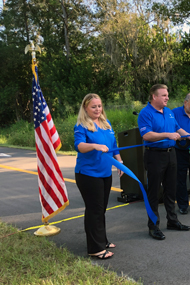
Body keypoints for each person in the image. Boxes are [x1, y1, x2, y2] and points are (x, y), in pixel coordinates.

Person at [138, 84, 190, 240]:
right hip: (154, 156)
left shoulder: (169, 112)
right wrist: (167, 135)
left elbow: (178, 129)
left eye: (167, 95)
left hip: (171, 155)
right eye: (164, 95)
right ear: (154, 97)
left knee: (171, 190)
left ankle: (172, 220)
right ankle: (153, 226)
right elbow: (146, 136)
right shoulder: (145, 113)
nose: (167, 98)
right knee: (153, 192)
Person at [74, 93, 123, 259]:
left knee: (101, 209)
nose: (97, 109)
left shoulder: (105, 123)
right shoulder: (81, 125)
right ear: (86, 108)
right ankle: (95, 248)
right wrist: (94, 145)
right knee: (94, 210)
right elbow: (79, 146)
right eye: (93, 106)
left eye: (99, 106)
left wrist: (119, 162)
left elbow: (113, 145)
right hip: (88, 174)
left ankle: (102, 240)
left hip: (105, 173)